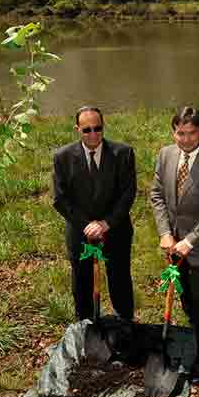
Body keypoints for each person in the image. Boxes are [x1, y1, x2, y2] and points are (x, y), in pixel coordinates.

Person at [150, 106, 199, 375]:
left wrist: (190, 241)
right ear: (173, 132)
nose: (185, 140)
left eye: (191, 133)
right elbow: (157, 195)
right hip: (172, 243)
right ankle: (196, 331)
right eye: (180, 133)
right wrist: (165, 233)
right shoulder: (165, 155)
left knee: (198, 298)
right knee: (184, 295)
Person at [53, 106, 137, 322]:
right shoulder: (62, 157)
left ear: (103, 127)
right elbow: (60, 199)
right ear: (77, 129)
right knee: (82, 283)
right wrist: (86, 225)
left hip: (116, 229)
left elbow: (128, 194)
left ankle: (125, 324)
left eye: (97, 129)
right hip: (80, 232)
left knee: (119, 278)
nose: (93, 135)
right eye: (86, 130)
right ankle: (86, 326)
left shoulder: (123, 153)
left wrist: (106, 223)